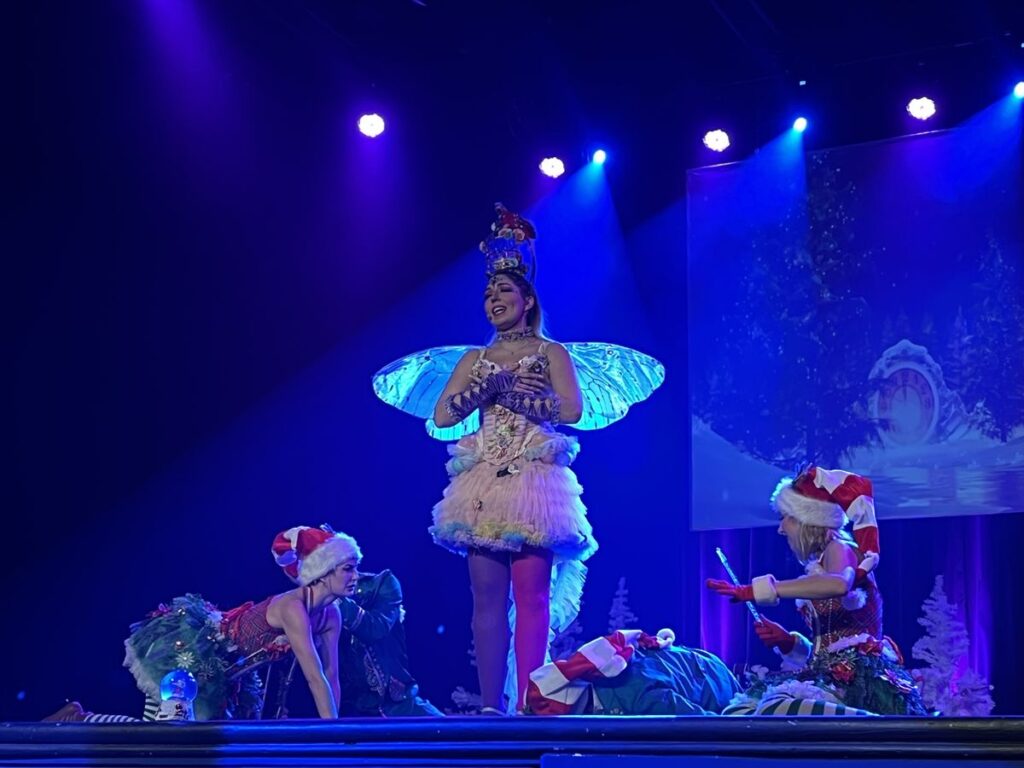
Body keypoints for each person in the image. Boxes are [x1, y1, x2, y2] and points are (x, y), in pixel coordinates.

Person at [429, 204, 596, 713]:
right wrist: (488, 386)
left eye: (503, 291)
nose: (493, 300)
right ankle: (488, 707)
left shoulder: (551, 353)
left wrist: (521, 397)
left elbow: (570, 408)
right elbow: (442, 416)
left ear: (527, 300)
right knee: (485, 601)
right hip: (483, 481)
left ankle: (529, 701)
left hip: (533, 476)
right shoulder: (472, 360)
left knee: (531, 597)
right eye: (487, 294)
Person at [706, 467, 926, 716]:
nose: (780, 529)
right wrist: (789, 643)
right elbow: (830, 647)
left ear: (806, 519)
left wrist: (764, 589)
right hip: (832, 675)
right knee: (740, 711)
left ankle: (866, 722)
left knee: (775, 709)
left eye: (785, 517)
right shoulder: (823, 561)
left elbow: (839, 584)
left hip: (856, 681)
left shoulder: (839, 548)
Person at [121, 525, 359, 720]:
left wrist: (334, 729)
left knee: (196, 744)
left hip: (231, 677)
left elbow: (330, 675)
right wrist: (332, 734)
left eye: (355, 569)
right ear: (325, 573)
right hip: (196, 657)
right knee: (162, 731)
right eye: (348, 569)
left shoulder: (331, 615)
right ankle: (90, 720)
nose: (356, 577)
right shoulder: (293, 608)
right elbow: (314, 677)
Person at [525, 628, 741, 716]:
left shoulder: (634, 697)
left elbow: (700, 724)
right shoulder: (605, 667)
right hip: (703, 664)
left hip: (718, 686)